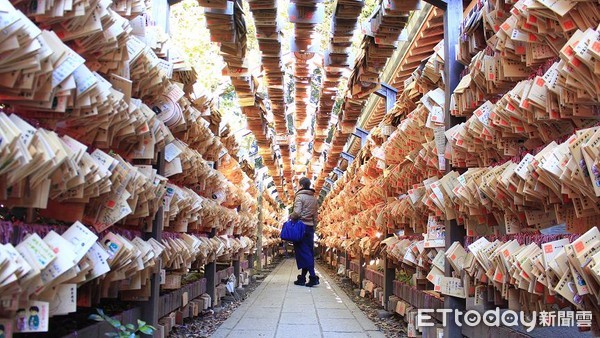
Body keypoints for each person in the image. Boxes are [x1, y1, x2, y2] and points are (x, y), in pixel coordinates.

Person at [289, 177, 319, 287]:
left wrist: (291, 217)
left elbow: (296, 212)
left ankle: (312, 276)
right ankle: (302, 278)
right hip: (310, 227)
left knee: (303, 252)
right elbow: (316, 216)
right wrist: (314, 226)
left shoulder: (299, 196)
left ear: (301, 186)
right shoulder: (314, 199)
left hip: (300, 227)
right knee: (308, 252)